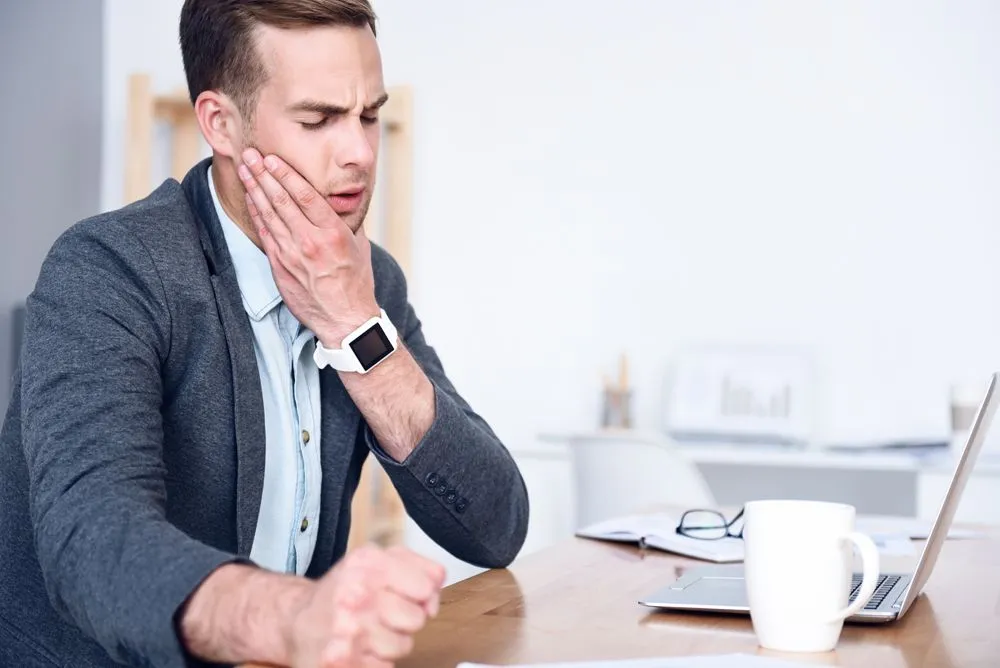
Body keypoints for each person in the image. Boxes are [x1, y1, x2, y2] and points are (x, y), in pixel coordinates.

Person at [0, 1, 530, 666]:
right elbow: (93, 541)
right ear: (220, 124)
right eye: (319, 119)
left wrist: (356, 329)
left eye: (369, 114)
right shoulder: (109, 269)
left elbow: (497, 526)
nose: (361, 152)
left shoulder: (364, 279)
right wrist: (298, 615)